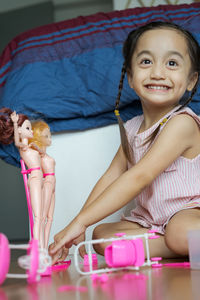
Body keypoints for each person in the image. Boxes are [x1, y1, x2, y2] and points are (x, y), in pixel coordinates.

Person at [49, 21, 200, 264]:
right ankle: (169, 246)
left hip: (189, 213)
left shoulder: (182, 123)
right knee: (99, 236)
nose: (158, 73)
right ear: (130, 77)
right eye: (146, 62)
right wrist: (80, 223)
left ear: (191, 80)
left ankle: (171, 245)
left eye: (172, 63)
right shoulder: (131, 128)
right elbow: (112, 176)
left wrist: (80, 222)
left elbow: (139, 176)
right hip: (150, 220)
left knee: (180, 230)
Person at [0, 108, 43, 244]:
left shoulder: (30, 147)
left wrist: (37, 146)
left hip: (41, 177)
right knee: (37, 217)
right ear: (18, 131)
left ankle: (42, 247)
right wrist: (14, 123)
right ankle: (38, 248)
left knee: (41, 216)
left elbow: (43, 154)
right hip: (35, 178)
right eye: (28, 128)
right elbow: (18, 142)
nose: (31, 131)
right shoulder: (22, 147)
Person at [29, 121, 56, 250]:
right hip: (48, 184)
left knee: (50, 218)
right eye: (46, 136)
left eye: (49, 135)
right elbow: (38, 152)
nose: (49, 139)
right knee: (43, 217)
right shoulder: (40, 155)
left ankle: (44, 249)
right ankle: (40, 250)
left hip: (52, 185)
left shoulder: (45, 155)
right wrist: (33, 145)